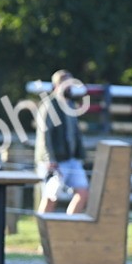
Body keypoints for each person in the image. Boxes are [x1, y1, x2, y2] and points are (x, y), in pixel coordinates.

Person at [35, 70, 90, 214]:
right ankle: (43, 231)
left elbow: (75, 133)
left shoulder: (71, 105)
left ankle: (68, 227)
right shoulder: (49, 106)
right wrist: (50, 159)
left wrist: (80, 154)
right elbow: (44, 135)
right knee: (51, 198)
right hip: (56, 161)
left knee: (83, 192)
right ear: (56, 86)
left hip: (72, 159)